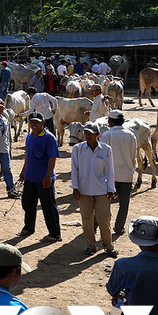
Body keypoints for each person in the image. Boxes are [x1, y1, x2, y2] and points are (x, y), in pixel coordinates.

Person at [70, 122, 117, 257]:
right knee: (87, 220)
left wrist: (110, 189)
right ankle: (91, 246)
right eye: (85, 133)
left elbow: (110, 171)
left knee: (104, 219)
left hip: (101, 190)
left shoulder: (106, 149)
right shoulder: (78, 149)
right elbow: (75, 170)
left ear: (98, 135)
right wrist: (75, 188)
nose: (87, 136)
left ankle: (108, 246)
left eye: (90, 133)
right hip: (84, 191)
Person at [18, 113, 62, 242]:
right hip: (30, 177)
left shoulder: (49, 138)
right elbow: (27, 155)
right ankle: (28, 228)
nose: (34, 125)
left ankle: (54, 233)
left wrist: (48, 176)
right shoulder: (30, 136)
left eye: (37, 122)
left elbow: (52, 158)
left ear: (43, 123)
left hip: (44, 179)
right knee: (28, 204)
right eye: (32, 122)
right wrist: (23, 170)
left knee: (48, 206)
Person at [101, 110, 137, 237]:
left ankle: (98, 225)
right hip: (127, 175)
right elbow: (134, 156)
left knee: (103, 203)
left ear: (110, 121)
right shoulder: (131, 135)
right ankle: (119, 227)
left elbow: (102, 157)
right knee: (124, 203)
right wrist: (132, 170)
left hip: (110, 175)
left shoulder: (106, 135)